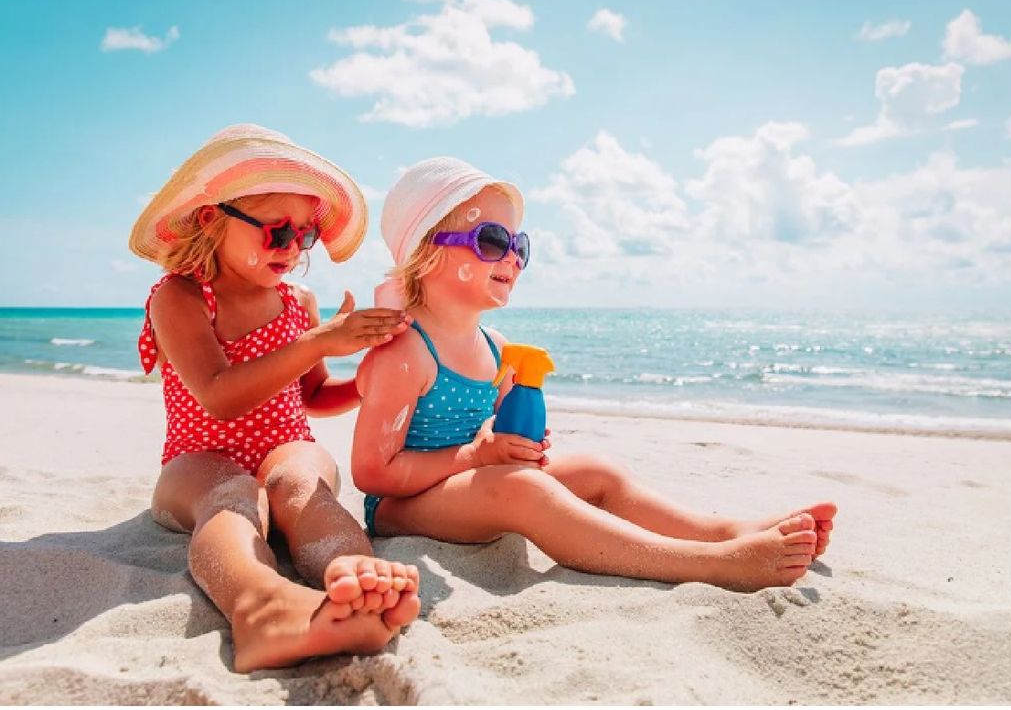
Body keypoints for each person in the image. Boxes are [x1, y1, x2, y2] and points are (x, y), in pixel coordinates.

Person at [351, 157, 837, 592]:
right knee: (525, 490)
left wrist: (516, 445)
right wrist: (478, 455)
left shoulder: (495, 347)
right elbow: (373, 473)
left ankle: (725, 532)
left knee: (597, 471)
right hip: (403, 507)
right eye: (494, 241)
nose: (513, 257)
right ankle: (708, 563)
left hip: (475, 488)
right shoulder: (406, 352)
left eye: (520, 245)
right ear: (426, 254)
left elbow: (493, 434)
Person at [129, 124, 420, 672]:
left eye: (304, 237)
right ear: (212, 219)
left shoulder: (297, 302)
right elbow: (218, 395)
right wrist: (321, 340)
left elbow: (313, 395)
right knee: (232, 494)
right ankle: (258, 604)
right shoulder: (182, 296)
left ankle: (354, 578)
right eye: (277, 231)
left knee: (299, 483)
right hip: (197, 459)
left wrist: (368, 381)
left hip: (285, 444)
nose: (292, 249)